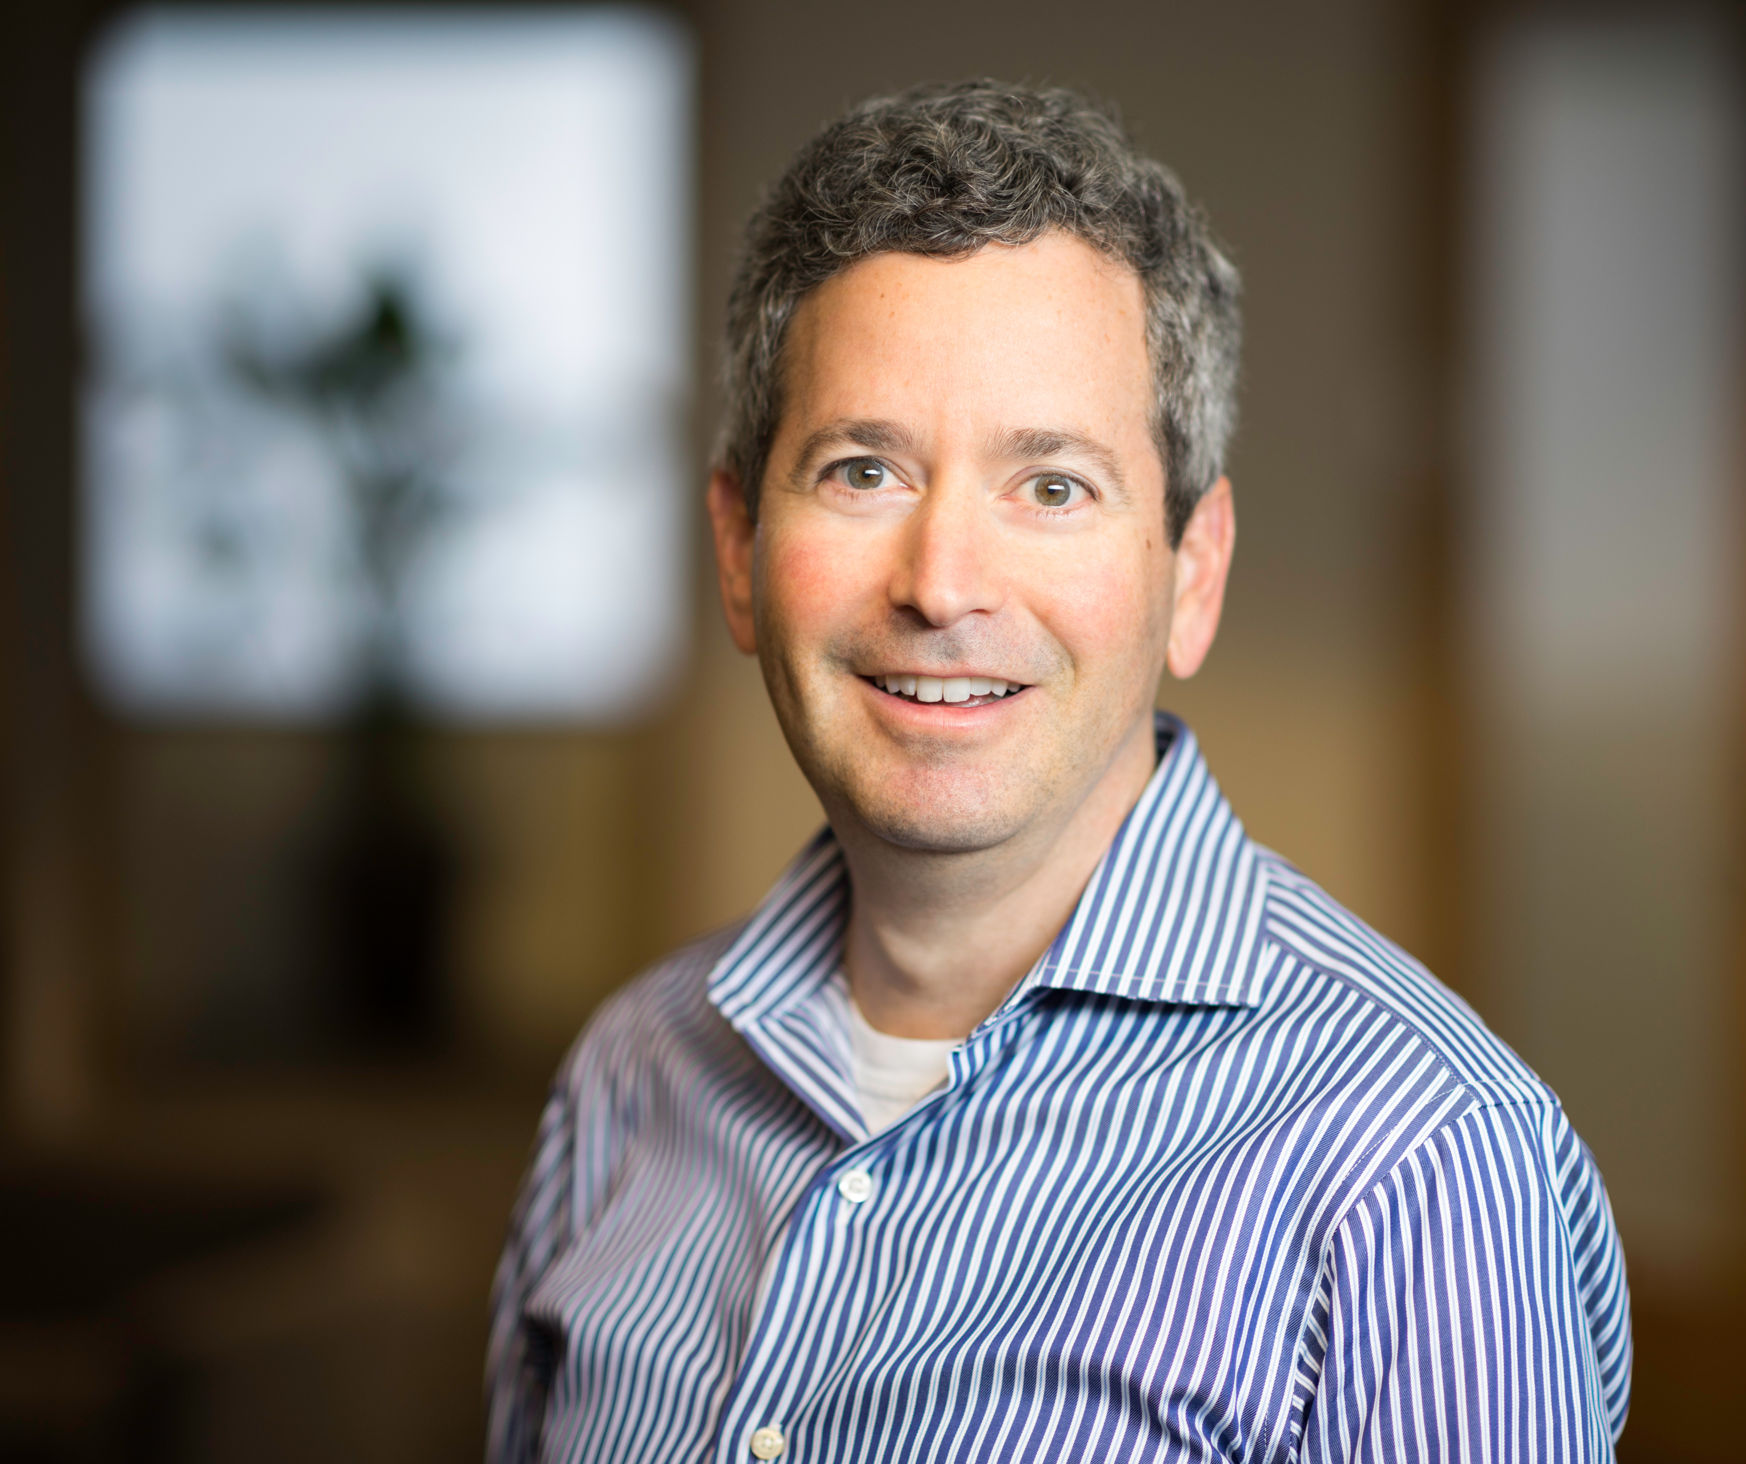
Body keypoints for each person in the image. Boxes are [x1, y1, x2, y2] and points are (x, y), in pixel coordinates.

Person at [487, 80, 1630, 1463]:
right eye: (862, 471)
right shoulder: (629, 1074)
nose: (942, 584)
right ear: (737, 551)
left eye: (1052, 486)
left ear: (1191, 576)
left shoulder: (1422, 1159)